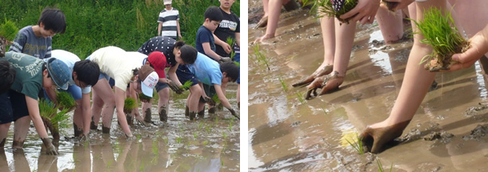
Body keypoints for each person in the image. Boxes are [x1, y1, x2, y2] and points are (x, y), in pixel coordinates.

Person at [0, 51, 72, 155]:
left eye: (56, 86)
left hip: (17, 81)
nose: (53, 88)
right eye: (53, 83)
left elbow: (38, 108)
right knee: (5, 118)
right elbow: (35, 116)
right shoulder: (33, 80)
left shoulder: (41, 72)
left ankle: (17, 148)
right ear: (45, 72)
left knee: (25, 113)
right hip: (3, 75)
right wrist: (48, 143)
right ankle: (1, 150)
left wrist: (54, 132)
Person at [87, 46, 159, 138]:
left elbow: (132, 92)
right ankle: (105, 135)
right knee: (111, 101)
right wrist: (129, 135)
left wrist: (136, 113)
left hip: (107, 59)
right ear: (137, 78)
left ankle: (93, 131)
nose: (140, 91)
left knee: (99, 101)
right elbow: (119, 110)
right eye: (141, 88)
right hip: (94, 62)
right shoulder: (124, 75)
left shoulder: (143, 69)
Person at [44, 50, 100, 139]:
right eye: (83, 85)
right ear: (75, 75)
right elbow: (49, 87)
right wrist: (59, 105)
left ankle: (79, 134)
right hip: (50, 75)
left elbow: (86, 107)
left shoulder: (85, 76)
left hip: (70, 79)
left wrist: (86, 133)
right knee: (50, 108)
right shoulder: (62, 68)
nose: (84, 87)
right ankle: (55, 137)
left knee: (80, 103)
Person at [178, 46, 239, 120]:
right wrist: (232, 111)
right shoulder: (217, 74)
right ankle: (191, 119)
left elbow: (199, 78)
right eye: (229, 80)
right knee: (195, 92)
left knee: (193, 92)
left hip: (187, 65)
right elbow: (221, 97)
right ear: (224, 74)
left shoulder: (215, 66)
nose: (228, 82)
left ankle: (187, 116)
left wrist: (204, 95)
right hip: (184, 66)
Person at [137, 36, 186, 123]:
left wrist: (180, 86)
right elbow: (151, 73)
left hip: (159, 67)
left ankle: (163, 121)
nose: (180, 61)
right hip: (146, 64)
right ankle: (147, 120)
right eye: (180, 59)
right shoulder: (162, 51)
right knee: (148, 93)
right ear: (177, 50)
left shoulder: (178, 56)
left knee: (165, 92)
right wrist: (166, 81)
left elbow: (172, 73)